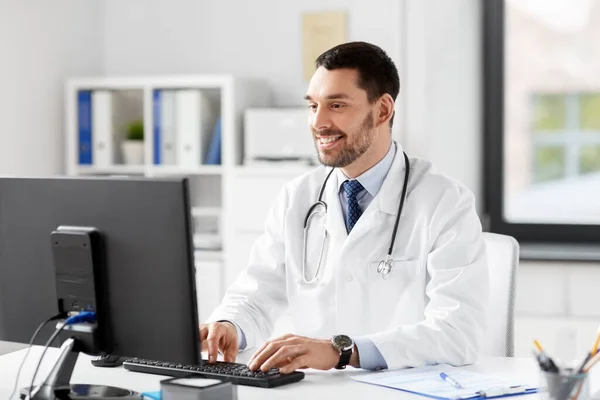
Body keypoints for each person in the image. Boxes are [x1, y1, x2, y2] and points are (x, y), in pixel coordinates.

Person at [201, 41, 489, 374]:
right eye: (313, 106)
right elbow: (256, 294)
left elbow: (458, 333)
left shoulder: (444, 201)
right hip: (315, 392)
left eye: (336, 105)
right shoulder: (298, 197)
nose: (318, 122)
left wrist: (343, 351)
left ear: (382, 110)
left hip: (402, 391)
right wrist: (228, 324)